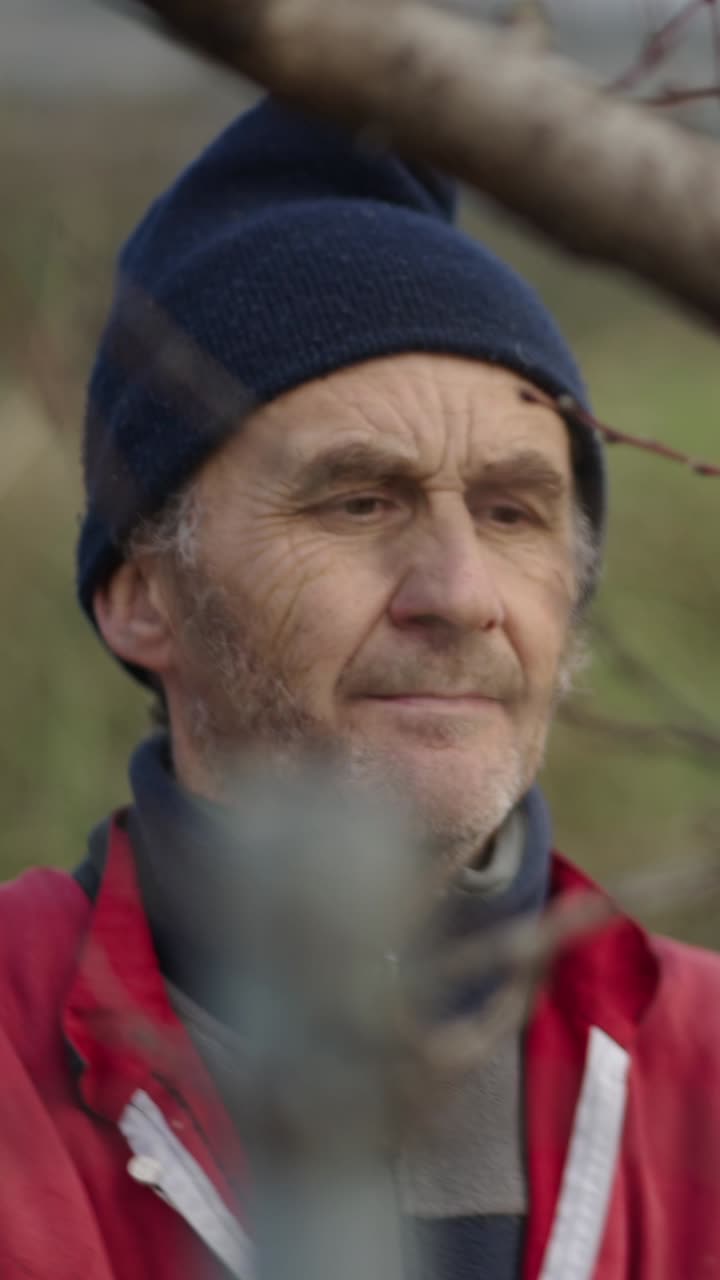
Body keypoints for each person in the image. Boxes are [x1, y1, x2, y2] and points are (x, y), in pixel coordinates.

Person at [0, 97, 718, 1280]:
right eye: (359, 501)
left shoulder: (703, 1068)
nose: (461, 591)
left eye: (513, 510)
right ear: (142, 595)